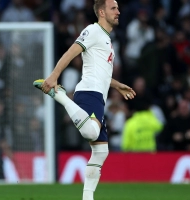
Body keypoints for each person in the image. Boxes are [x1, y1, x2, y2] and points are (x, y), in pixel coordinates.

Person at [33, 1, 136, 199]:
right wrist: (53, 76)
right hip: (89, 92)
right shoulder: (93, 30)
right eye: (113, 8)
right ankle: (60, 96)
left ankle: (87, 198)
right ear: (101, 12)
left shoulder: (106, 38)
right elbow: (72, 51)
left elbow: (101, 72)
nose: (118, 11)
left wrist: (117, 85)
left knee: (101, 151)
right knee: (91, 132)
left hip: (98, 95)